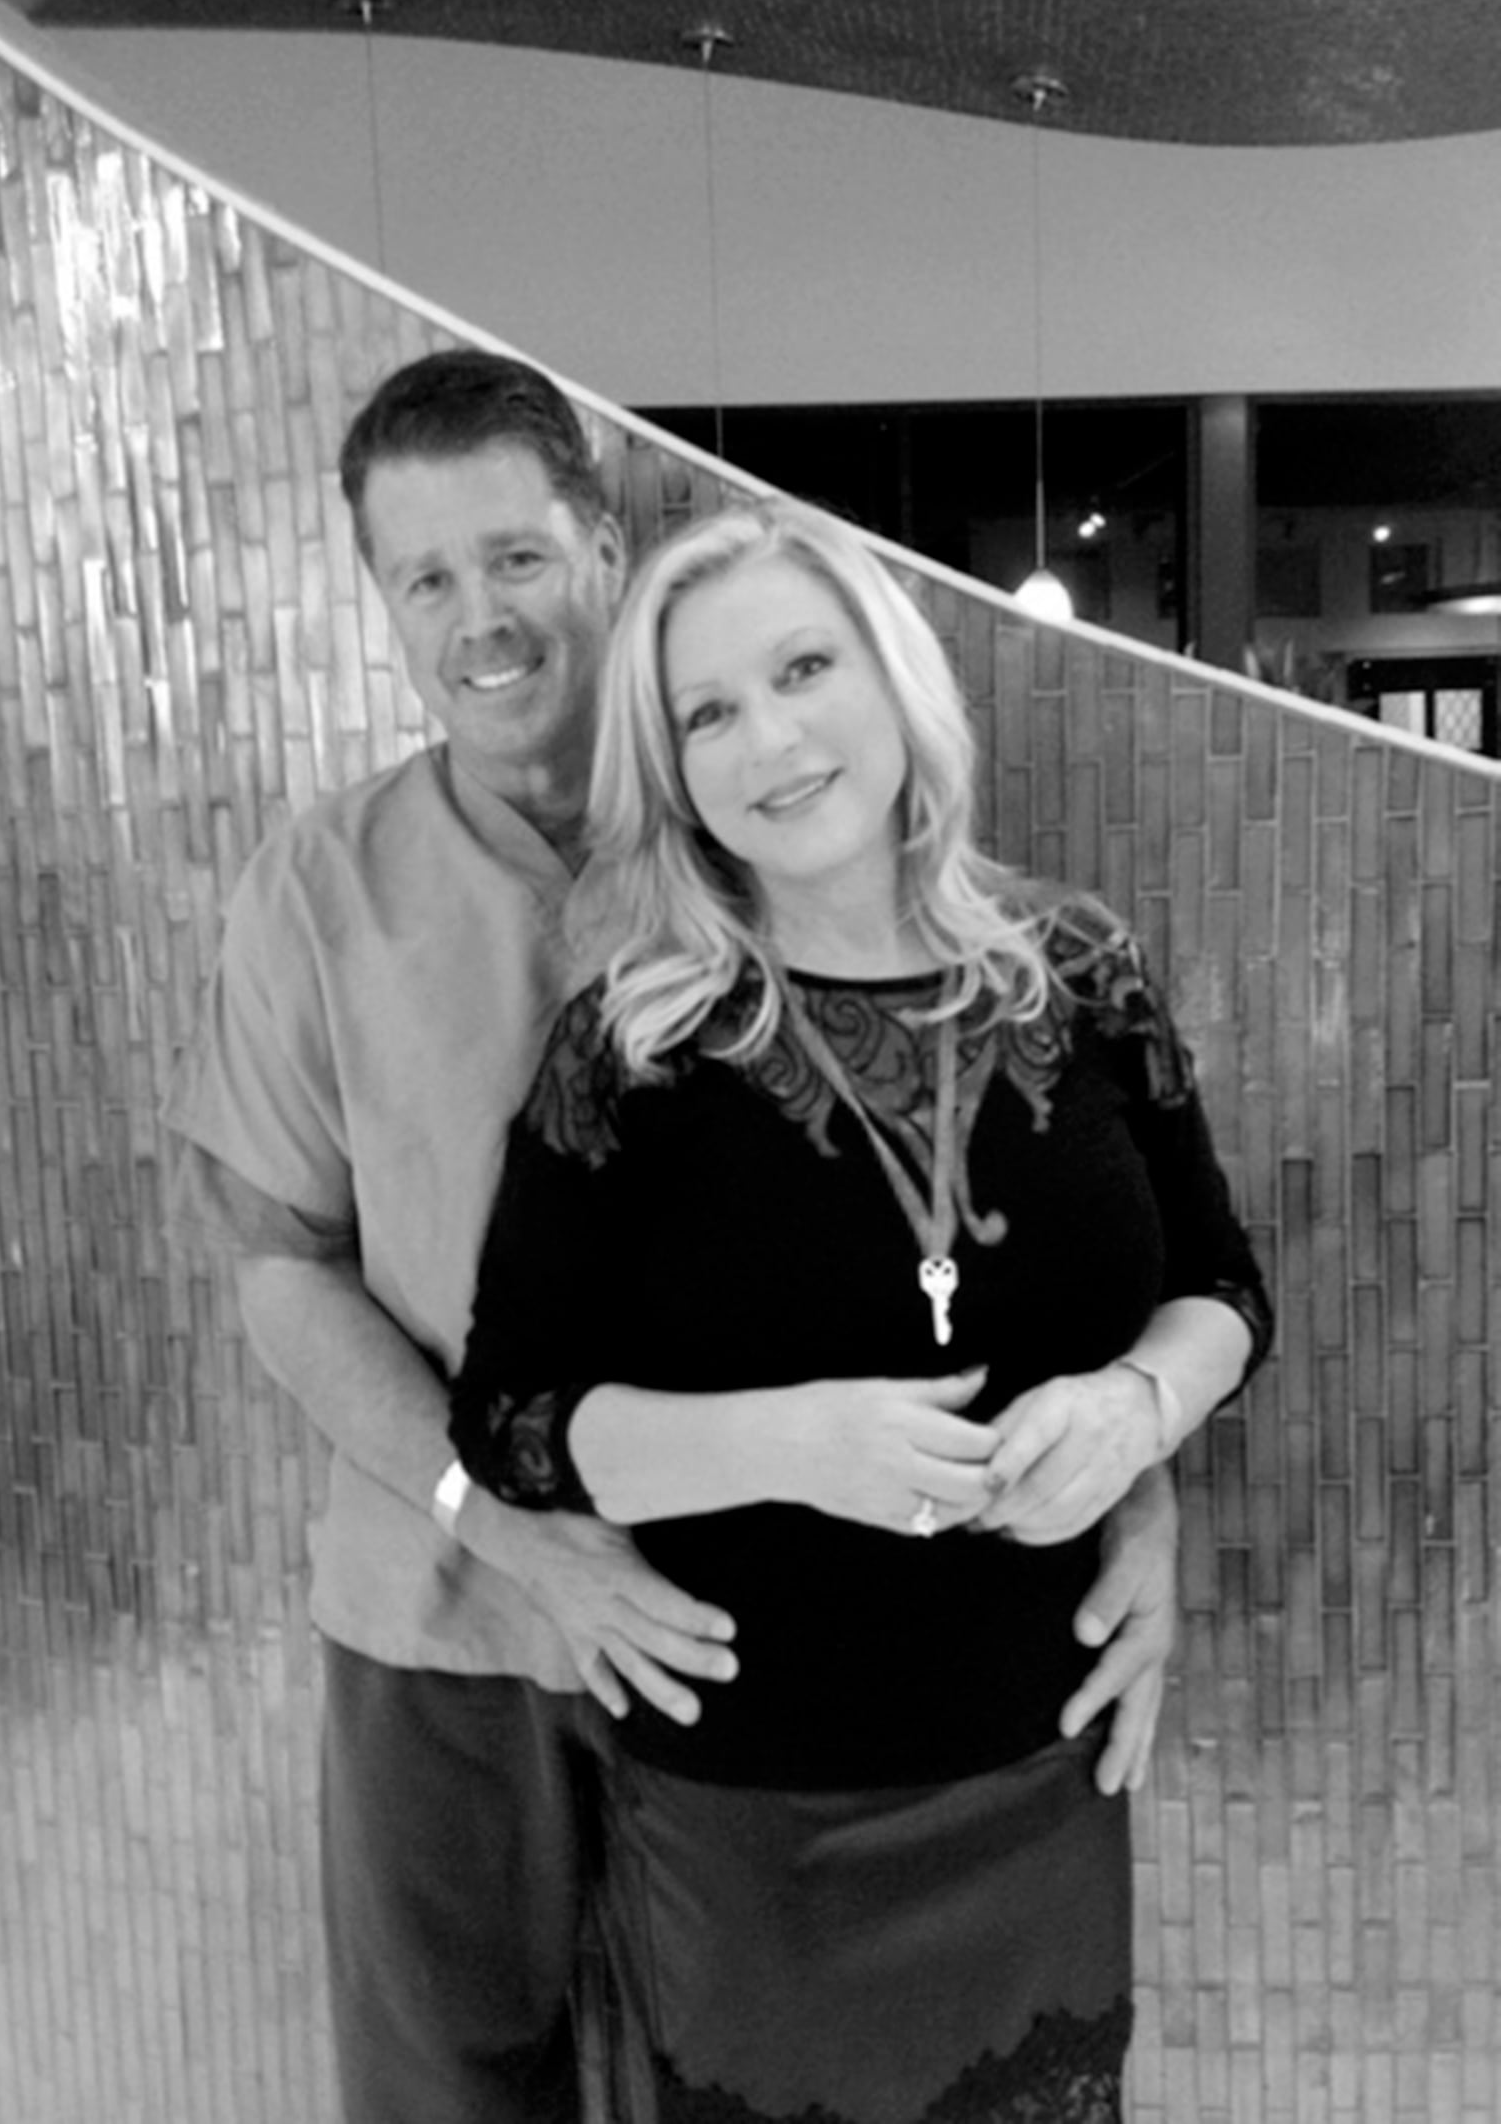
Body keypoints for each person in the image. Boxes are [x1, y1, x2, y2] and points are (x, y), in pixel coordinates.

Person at [165, 350, 1190, 2124]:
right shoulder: (320, 888)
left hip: (785, 1660)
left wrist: (1136, 1471)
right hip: (455, 1627)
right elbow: (281, 1268)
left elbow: (1050, 1241)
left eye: (514, 557)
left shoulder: (800, 841)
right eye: (423, 579)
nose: (476, 618)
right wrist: (519, 1532)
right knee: (455, 2087)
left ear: (604, 546)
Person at [449, 497, 1273, 2124]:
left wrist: (1137, 1411)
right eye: (707, 711)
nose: (770, 736)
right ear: (673, 771)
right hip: (756, 1817)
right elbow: (513, 1423)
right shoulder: (635, 1043)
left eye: (804, 666)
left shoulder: (1079, 970)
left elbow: (1221, 1287)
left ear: (897, 685)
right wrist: (788, 1444)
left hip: (1041, 1774)